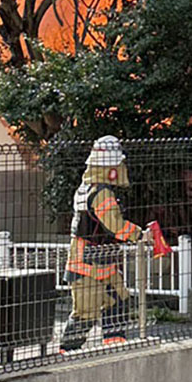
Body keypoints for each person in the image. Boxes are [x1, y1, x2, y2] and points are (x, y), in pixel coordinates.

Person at [59, 135, 144, 352]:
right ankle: (67, 351)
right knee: (86, 312)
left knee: (119, 300)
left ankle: (114, 344)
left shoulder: (85, 189)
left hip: (98, 260)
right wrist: (140, 235)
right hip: (87, 265)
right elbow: (115, 225)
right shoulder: (102, 194)